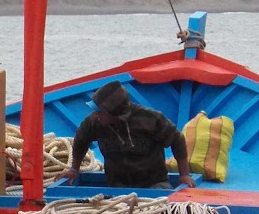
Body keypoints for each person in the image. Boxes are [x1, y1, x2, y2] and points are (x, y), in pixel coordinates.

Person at [57, 80, 194, 189]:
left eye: (101, 112)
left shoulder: (150, 119)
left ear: (117, 115)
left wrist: (184, 175)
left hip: (154, 184)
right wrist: (74, 169)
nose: (96, 116)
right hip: (116, 187)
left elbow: (177, 139)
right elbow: (81, 141)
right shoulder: (93, 122)